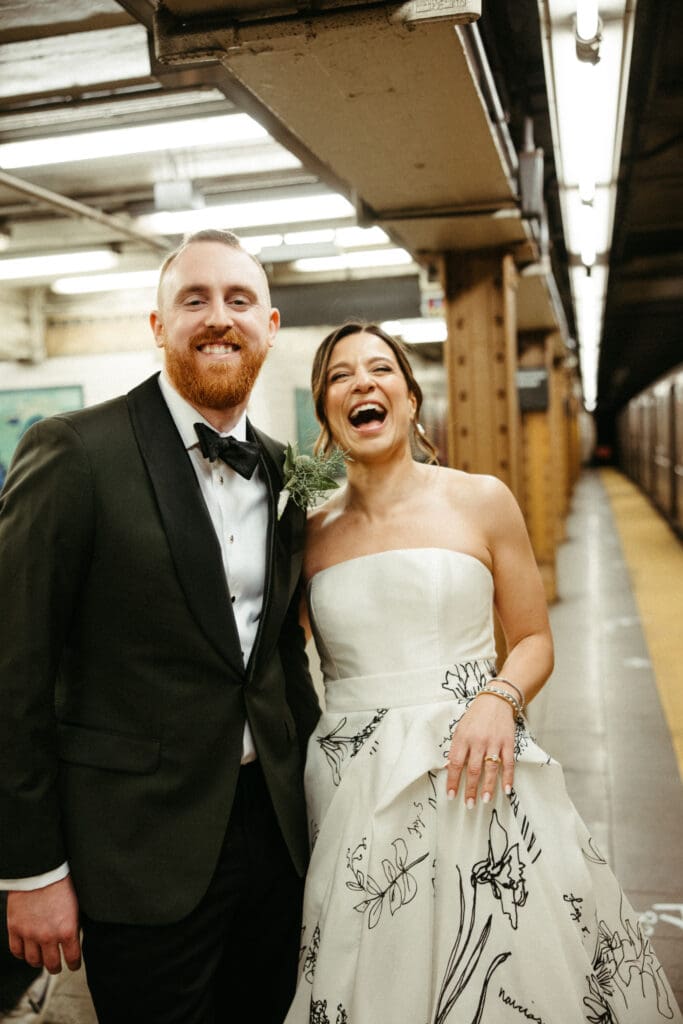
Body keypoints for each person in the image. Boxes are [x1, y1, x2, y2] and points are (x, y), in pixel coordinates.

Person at [285, 322, 681, 1024]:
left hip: (477, 769)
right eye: (339, 376)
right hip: (357, 792)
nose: (361, 383)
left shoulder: (480, 499)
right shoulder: (308, 537)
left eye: (379, 369)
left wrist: (499, 697)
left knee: (502, 970)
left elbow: (531, 637)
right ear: (326, 413)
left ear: (409, 401)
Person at [0, 229, 321, 1024]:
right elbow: (12, 672)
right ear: (157, 326)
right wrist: (30, 870)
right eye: (194, 299)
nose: (219, 318)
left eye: (239, 300)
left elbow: (278, 653)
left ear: (270, 326)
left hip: (274, 837)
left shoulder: (284, 470)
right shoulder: (75, 452)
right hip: (136, 846)